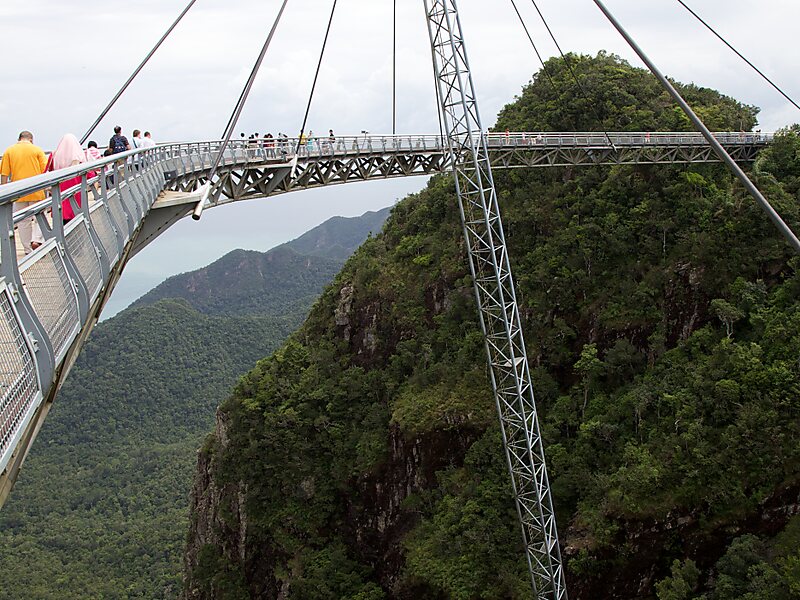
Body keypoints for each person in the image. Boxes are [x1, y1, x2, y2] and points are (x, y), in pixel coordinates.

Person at [0, 131, 47, 254]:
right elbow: (45, 171)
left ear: (19, 139)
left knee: (23, 221)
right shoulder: (37, 150)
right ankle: (37, 239)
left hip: (18, 192)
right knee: (39, 216)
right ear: (31, 139)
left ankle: (27, 249)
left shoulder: (9, 151)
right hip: (36, 189)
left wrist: (5, 193)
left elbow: (4, 174)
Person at [48, 134, 85, 223]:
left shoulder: (54, 155)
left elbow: (48, 172)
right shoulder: (79, 157)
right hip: (76, 196)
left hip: (59, 196)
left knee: (60, 227)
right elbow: (89, 175)